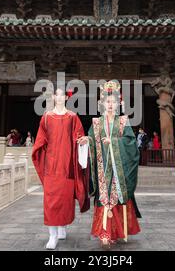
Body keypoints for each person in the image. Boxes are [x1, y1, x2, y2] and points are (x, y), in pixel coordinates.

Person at [81, 80, 141, 249]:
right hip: (102, 168)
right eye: (107, 102)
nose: (110, 104)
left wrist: (114, 142)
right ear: (102, 103)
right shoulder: (96, 123)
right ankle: (105, 234)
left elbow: (131, 144)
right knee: (103, 198)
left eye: (113, 102)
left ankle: (118, 231)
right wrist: (88, 140)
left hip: (118, 169)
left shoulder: (123, 121)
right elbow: (93, 140)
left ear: (118, 103)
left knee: (117, 197)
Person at [32, 88, 89, 250]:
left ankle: (62, 226)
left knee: (65, 198)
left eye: (61, 95)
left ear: (66, 97)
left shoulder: (72, 117)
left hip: (67, 165)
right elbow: (41, 139)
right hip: (51, 165)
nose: (58, 97)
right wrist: (38, 150)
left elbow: (79, 136)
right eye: (56, 95)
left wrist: (83, 140)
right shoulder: (46, 118)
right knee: (51, 199)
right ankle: (52, 235)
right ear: (53, 97)